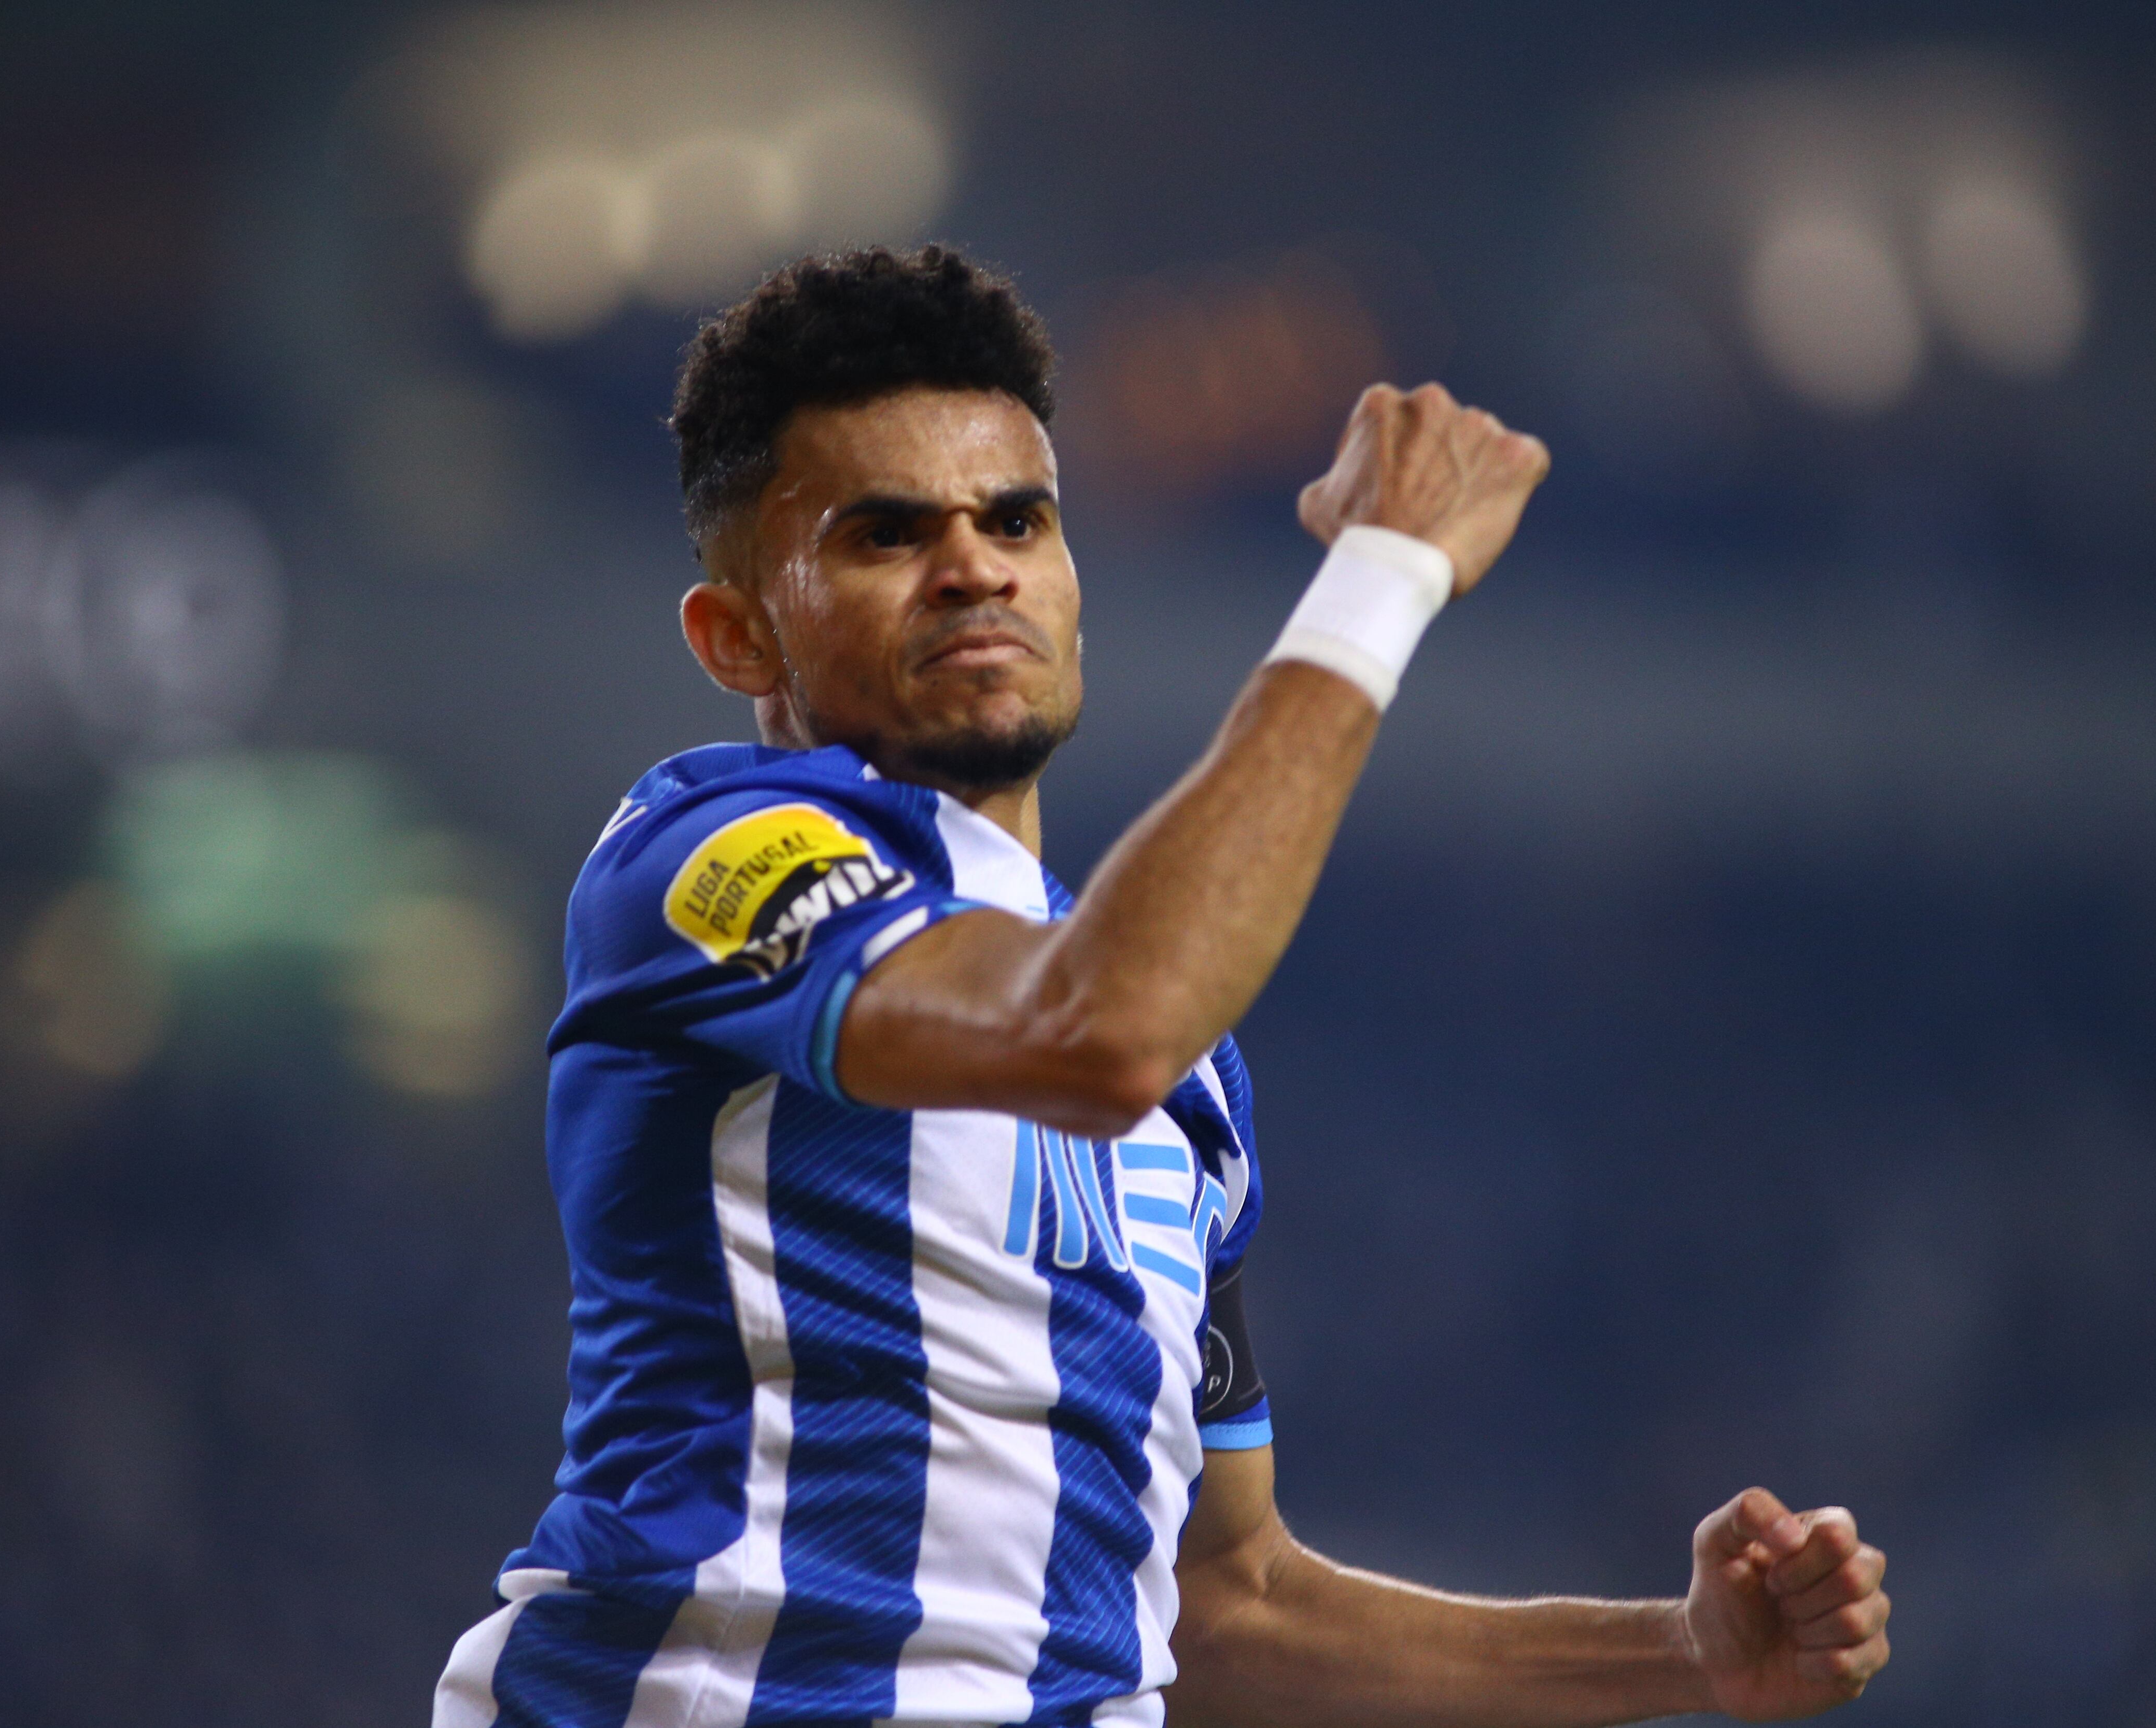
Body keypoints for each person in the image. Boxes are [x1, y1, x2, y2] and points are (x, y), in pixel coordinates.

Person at [432, 245, 1891, 1728]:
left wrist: (1677, 1656)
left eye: (1019, 518)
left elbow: (1225, 1598)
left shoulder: (1193, 1072)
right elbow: (1094, 1025)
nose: (975, 565)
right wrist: (1380, 576)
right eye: (886, 534)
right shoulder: (706, 856)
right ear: (740, 634)